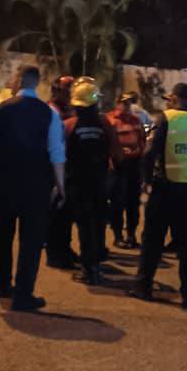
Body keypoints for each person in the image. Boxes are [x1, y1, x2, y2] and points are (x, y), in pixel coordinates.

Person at [0, 66, 65, 312]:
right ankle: (24, 294)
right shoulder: (49, 113)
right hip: (36, 187)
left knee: (1, 235)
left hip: (3, 184)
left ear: (18, 80)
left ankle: (3, 285)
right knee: (32, 241)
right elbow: (57, 153)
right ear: (36, 84)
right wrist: (61, 186)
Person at [131, 82, 187, 309]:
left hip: (166, 190)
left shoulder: (166, 119)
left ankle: (143, 286)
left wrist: (146, 180)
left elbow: (150, 154)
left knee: (153, 241)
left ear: (175, 99)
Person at [63, 78, 122, 285]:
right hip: (99, 182)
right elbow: (117, 153)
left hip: (76, 184)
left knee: (84, 226)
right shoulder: (104, 123)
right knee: (97, 224)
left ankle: (89, 270)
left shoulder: (68, 126)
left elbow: (60, 157)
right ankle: (96, 265)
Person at [106, 93, 146, 248]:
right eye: (124, 103)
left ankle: (131, 235)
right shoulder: (110, 120)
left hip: (134, 165)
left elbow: (142, 139)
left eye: (129, 103)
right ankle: (118, 236)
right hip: (118, 166)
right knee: (118, 202)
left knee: (133, 203)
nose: (127, 106)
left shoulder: (136, 120)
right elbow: (106, 143)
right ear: (117, 103)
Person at [47, 76, 77, 269]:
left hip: (67, 166)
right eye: (68, 91)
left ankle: (64, 248)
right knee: (56, 212)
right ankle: (54, 253)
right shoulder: (51, 111)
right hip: (54, 166)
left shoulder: (69, 111)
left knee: (66, 213)